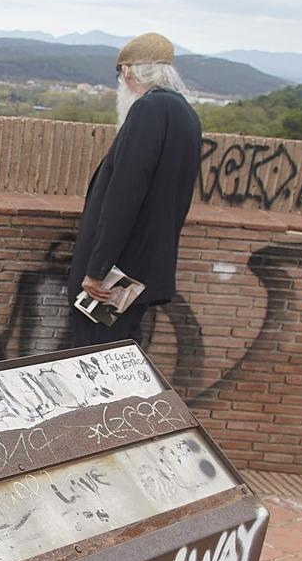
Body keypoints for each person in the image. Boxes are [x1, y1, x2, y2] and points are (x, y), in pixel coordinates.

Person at [64, 31, 202, 347]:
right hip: (144, 269)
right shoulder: (186, 115)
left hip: (116, 274)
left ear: (128, 72)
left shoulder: (147, 110)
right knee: (121, 354)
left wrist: (97, 270)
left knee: (96, 356)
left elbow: (124, 196)